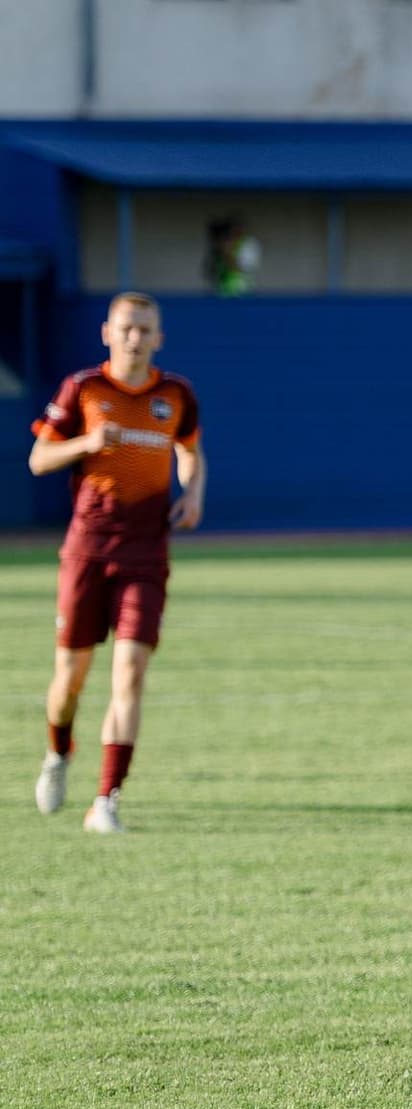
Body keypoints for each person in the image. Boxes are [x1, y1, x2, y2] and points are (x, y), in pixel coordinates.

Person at [28, 292, 207, 834]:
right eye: (127, 327)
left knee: (129, 672)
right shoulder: (84, 388)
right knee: (71, 679)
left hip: (146, 551)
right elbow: (39, 460)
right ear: (107, 332)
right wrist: (85, 442)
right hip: (88, 548)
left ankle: (106, 800)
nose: (136, 337)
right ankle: (58, 754)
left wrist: (193, 491)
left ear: (159, 338)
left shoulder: (175, 395)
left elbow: (191, 450)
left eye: (145, 329)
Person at [204, 217, 261, 297]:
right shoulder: (222, 245)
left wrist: (227, 253)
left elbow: (245, 267)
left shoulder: (248, 244)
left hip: (242, 290)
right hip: (222, 290)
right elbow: (210, 271)